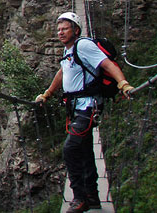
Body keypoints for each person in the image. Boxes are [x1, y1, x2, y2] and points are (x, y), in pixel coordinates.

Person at [35, 12, 134, 213]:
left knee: (70, 150)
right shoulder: (69, 50)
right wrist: (47, 93)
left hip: (88, 107)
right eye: (59, 29)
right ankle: (93, 197)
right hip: (76, 108)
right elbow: (62, 72)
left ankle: (79, 198)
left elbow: (107, 64)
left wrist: (123, 83)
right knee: (85, 151)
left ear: (76, 30)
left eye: (65, 28)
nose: (60, 32)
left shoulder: (84, 46)